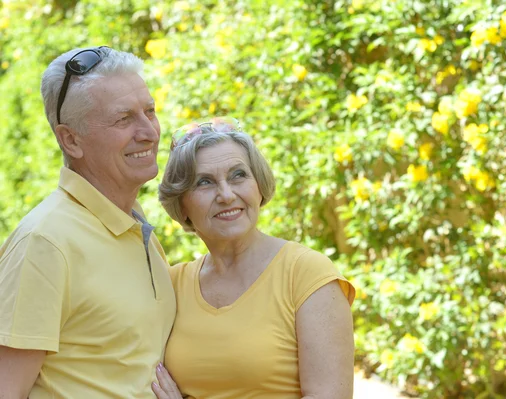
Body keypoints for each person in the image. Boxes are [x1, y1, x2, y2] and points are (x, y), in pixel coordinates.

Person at [0, 46, 176, 398]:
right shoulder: (45, 242)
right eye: (123, 119)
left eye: (150, 111)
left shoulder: (136, 228)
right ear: (70, 140)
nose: (149, 132)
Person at [153, 118, 355, 399]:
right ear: (182, 204)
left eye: (238, 175)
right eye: (204, 182)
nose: (226, 194)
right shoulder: (172, 283)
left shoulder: (307, 273)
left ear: (258, 186)